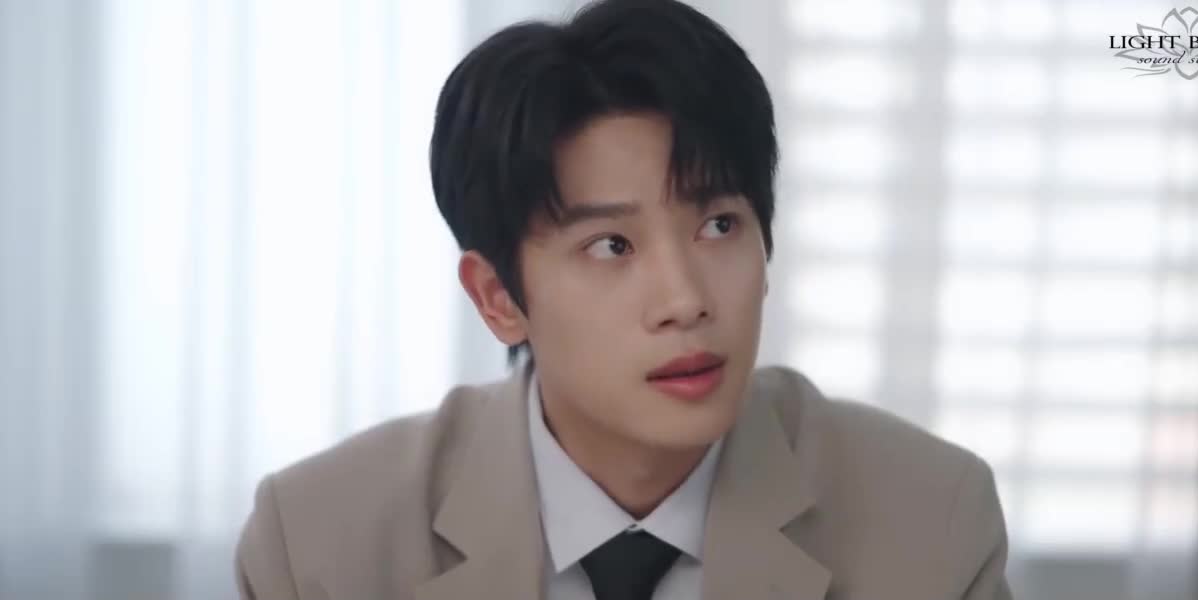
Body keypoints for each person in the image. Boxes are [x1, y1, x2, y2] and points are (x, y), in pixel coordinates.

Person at [234, 1, 1013, 598]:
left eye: (718, 225)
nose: (685, 300)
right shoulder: (319, 547)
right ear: (498, 296)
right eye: (611, 245)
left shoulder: (931, 526)